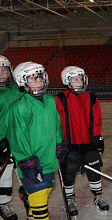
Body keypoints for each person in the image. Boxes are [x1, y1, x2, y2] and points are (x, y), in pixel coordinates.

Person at [1, 62, 66, 220]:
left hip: (48, 158)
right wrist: (27, 161)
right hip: (31, 161)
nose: (38, 82)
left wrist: (59, 145)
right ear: (22, 82)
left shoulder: (50, 100)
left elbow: (57, 124)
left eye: (40, 78)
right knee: (39, 196)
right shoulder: (19, 107)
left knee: (45, 190)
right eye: (32, 79)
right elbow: (18, 138)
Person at [55, 66, 109, 218]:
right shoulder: (60, 99)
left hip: (89, 143)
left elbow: (97, 120)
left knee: (95, 171)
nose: (79, 83)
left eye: (80, 79)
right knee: (69, 173)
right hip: (69, 145)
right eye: (74, 80)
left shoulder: (91, 98)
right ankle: (70, 199)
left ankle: (98, 196)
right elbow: (57, 123)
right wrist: (59, 143)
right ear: (67, 81)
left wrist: (98, 138)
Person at [0, 55, 21, 220]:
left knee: (24, 170)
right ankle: (3, 203)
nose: (1, 73)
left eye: (4, 70)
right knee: (5, 174)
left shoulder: (17, 89)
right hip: (3, 142)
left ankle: (29, 196)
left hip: (20, 140)